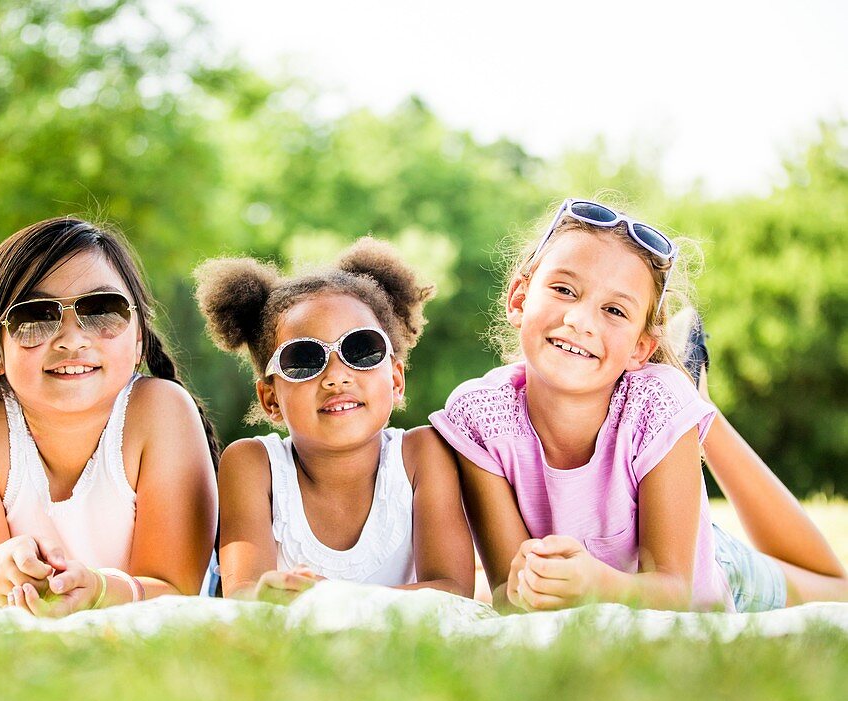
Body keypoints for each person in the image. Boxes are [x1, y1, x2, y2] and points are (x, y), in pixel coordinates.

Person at [430, 198, 848, 613]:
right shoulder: (479, 416)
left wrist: (597, 584)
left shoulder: (654, 404)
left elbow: (677, 590)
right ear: (519, 299)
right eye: (564, 290)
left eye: (614, 310)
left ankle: (697, 400)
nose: (581, 320)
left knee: (837, 591)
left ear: (641, 348)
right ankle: (693, 396)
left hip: (712, 567)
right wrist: (529, 585)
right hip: (626, 538)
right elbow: (510, 590)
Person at [0, 217, 219, 616]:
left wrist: (98, 590)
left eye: (102, 310)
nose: (72, 339)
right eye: (36, 316)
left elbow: (178, 592)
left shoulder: (161, 411)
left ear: (139, 338)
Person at [194, 238, 474, 603]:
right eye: (303, 359)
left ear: (395, 380)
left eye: (361, 350)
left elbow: (453, 591)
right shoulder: (252, 465)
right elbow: (245, 596)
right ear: (270, 399)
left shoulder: (421, 455)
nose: (336, 377)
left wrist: (333, 599)